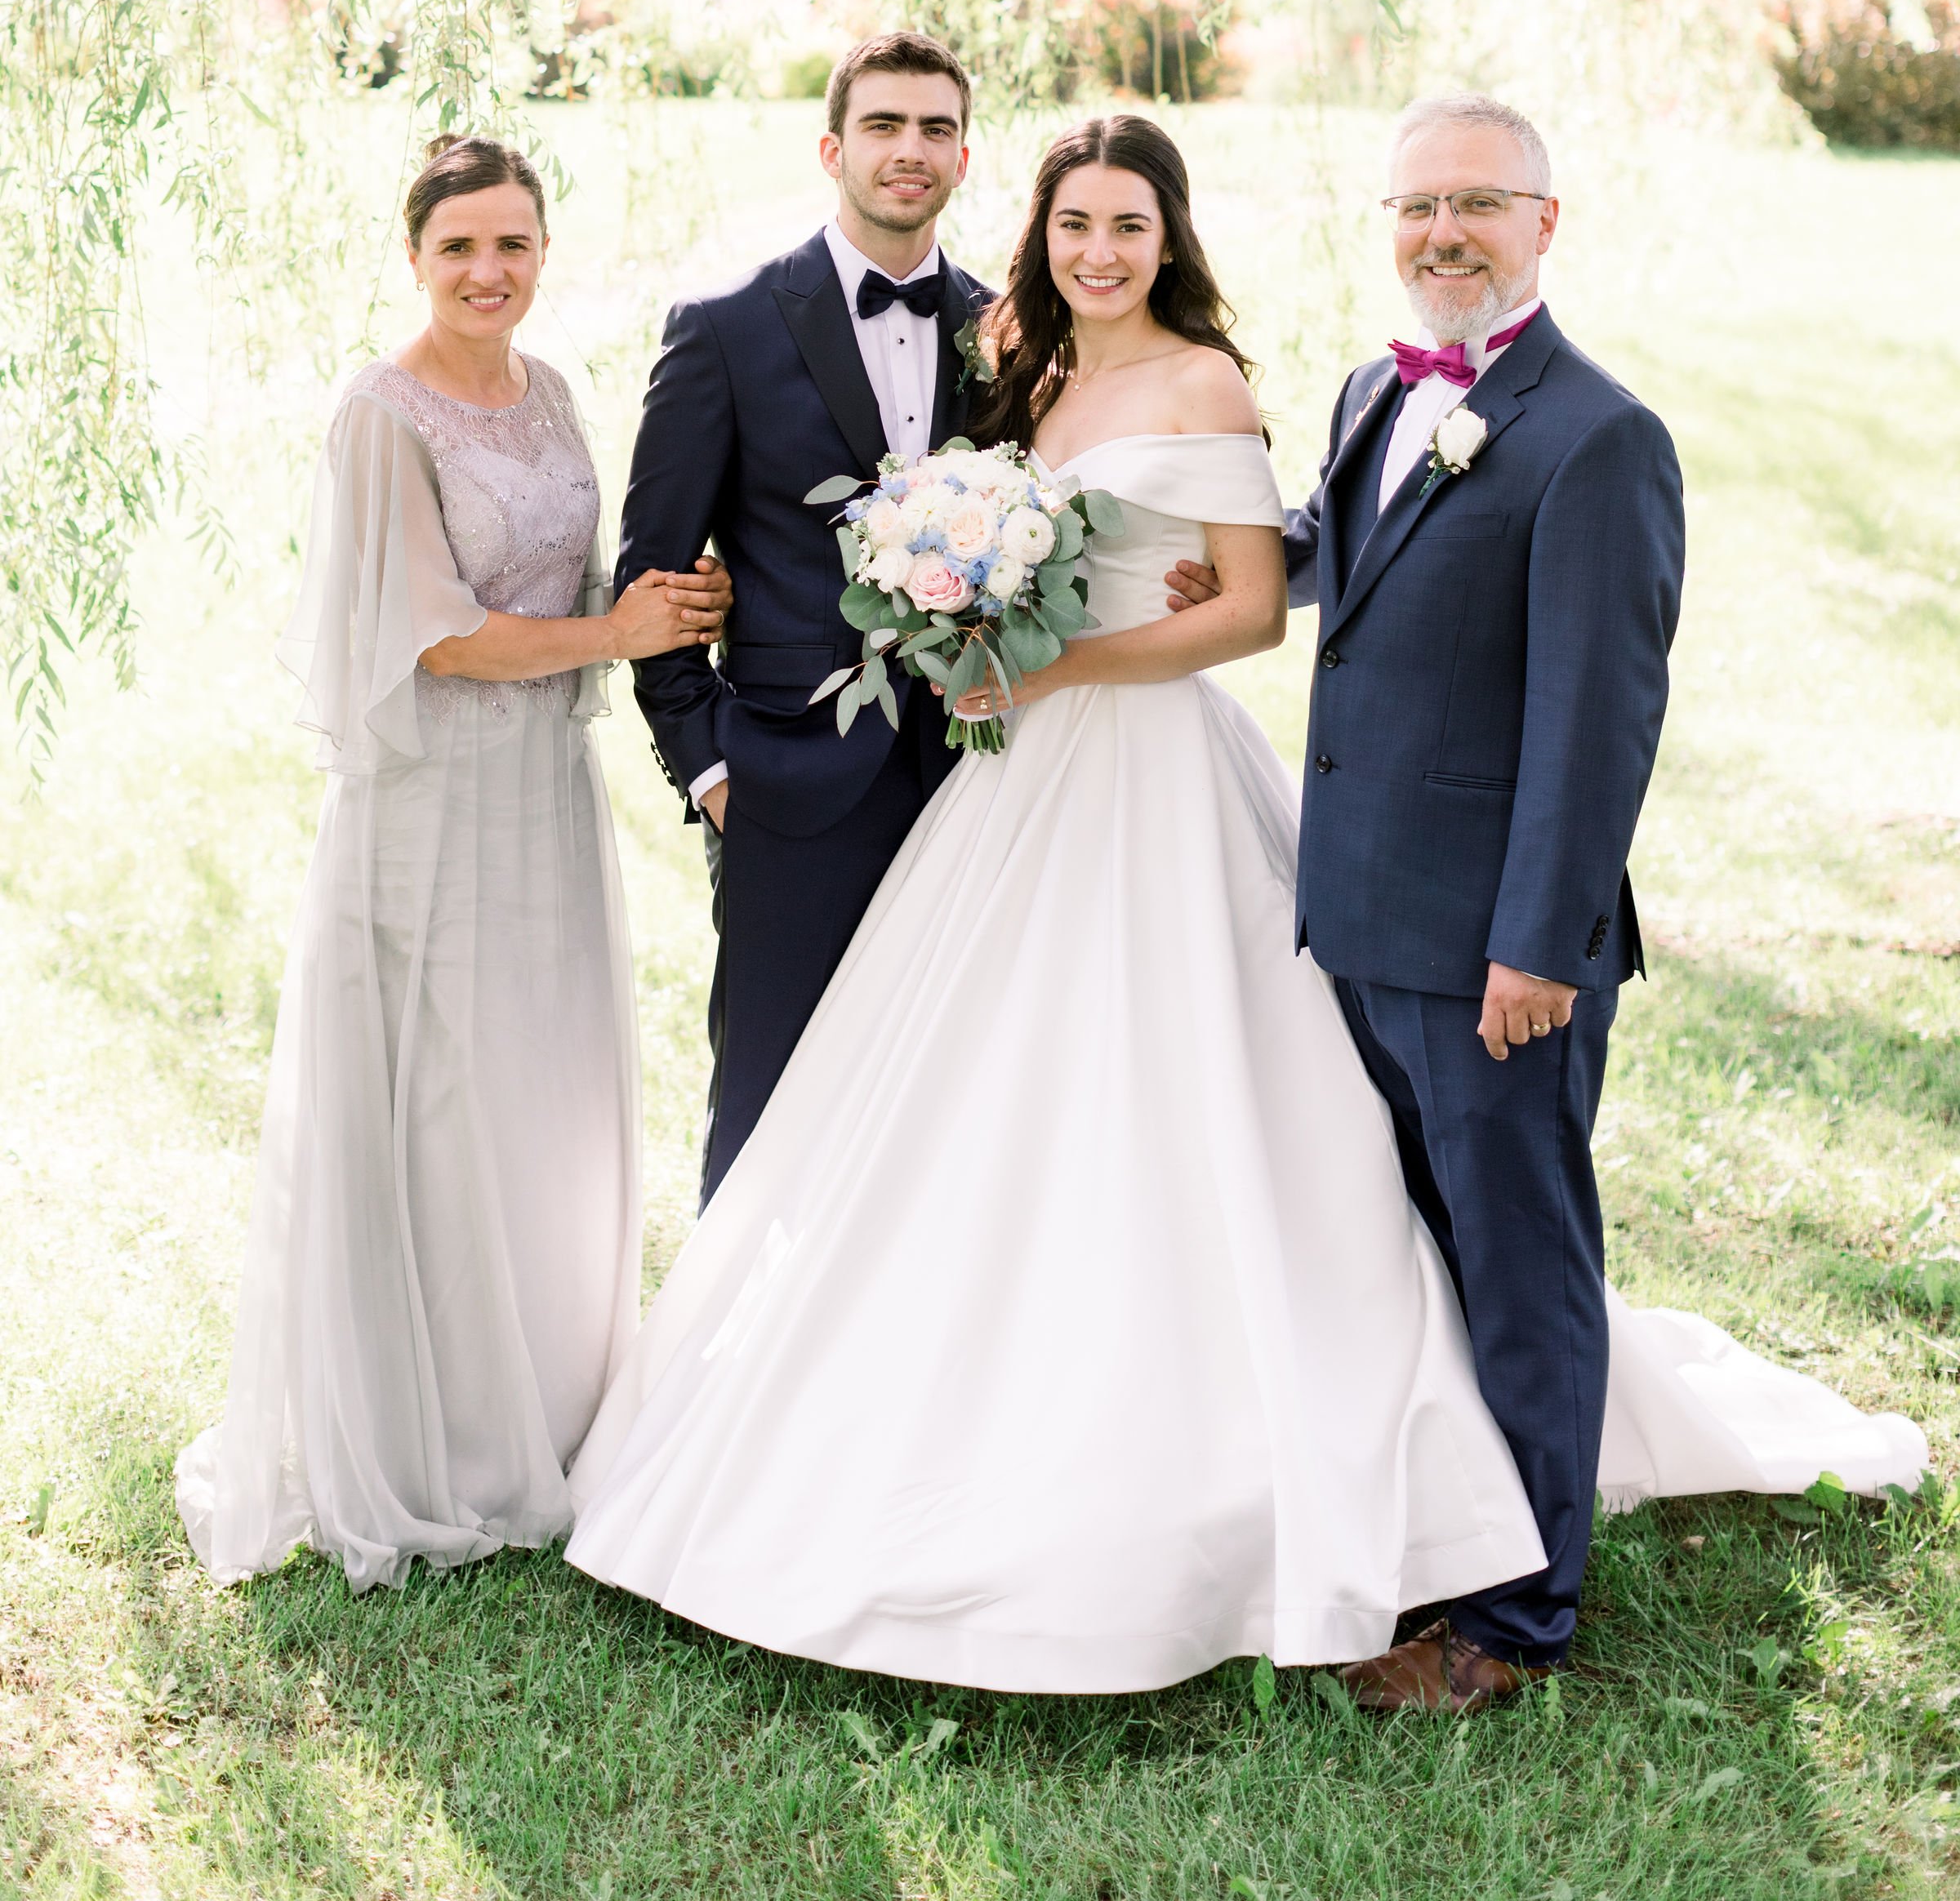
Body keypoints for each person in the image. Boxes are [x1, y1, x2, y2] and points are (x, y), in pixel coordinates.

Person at [568, 107, 1923, 1700]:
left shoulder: (1449, 416)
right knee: (1019, 1112)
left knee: (1349, 1162)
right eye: (1075, 223)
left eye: (1129, 224)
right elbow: (1274, 550)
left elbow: (1359, 641)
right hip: (1055, 799)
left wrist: (1065, 651)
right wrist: (968, 612)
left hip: (1263, 823)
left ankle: (1503, 1587)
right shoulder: (1187, 383)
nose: (1100, 250)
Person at [1169, 91, 1924, 1711]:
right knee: (1416, 1249)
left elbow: (1599, 721)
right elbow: (1342, 554)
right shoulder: (1380, 387)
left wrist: (1541, 942)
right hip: (1354, 911)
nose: (1442, 233)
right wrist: (1221, 563)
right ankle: (1453, 1535)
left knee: (1518, 1261)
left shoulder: (1600, 438)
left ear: (1544, 224)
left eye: (1477, 204)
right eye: (1416, 206)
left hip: (1485, 946)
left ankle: (1519, 1622)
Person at [176, 133, 728, 1592]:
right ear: (414, 257)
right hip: (428, 802)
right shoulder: (382, 413)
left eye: (516, 245)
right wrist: (620, 637)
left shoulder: (549, 394)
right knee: (434, 1093)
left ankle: (542, 1405)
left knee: (539, 1088)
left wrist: (675, 601)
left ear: (545, 252)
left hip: (542, 793)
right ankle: (428, 1440)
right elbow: (438, 633)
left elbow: (569, 577)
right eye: (460, 248)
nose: (490, 273)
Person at [612, 30, 993, 1200]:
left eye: (935, 128)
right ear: (834, 146)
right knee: (769, 1114)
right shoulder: (724, 329)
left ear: (965, 157)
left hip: (977, 785)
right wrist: (708, 767)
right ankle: (730, 1380)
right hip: (784, 780)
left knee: (951, 1105)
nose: (909, 151)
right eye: (884, 125)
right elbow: (654, 580)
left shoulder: (1007, 329)